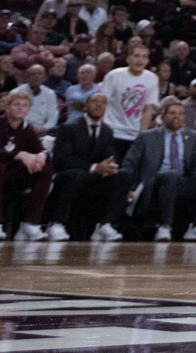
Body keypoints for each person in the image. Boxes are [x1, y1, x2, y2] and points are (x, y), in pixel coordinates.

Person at [121, 98, 196, 241]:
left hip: (182, 181)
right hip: (156, 182)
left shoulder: (192, 136)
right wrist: (128, 186)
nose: (177, 116)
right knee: (171, 176)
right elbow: (129, 163)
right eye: (172, 113)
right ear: (163, 117)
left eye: (181, 113)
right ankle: (164, 227)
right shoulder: (147, 137)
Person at [48, 91, 131, 241]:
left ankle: (104, 224)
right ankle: (57, 223)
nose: (99, 105)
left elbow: (110, 155)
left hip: (94, 179)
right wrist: (93, 167)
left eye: (103, 102)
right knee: (76, 175)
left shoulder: (107, 131)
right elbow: (61, 160)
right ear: (86, 105)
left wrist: (109, 166)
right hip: (70, 177)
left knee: (124, 176)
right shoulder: (69, 127)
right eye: (94, 101)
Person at [1, 88, 52, 239]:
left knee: (45, 167)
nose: (20, 108)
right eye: (16, 104)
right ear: (7, 107)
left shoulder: (28, 129)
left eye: (24, 105)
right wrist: (17, 154)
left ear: (28, 110)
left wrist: (41, 156)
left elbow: (39, 150)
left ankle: (30, 224)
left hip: (15, 177)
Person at [102, 42, 159, 158]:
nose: (140, 60)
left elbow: (148, 109)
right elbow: (102, 102)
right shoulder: (114, 75)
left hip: (134, 134)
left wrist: (142, 134)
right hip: (113, 132)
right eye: (137, 56)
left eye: (144, 57)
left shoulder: (152, 78)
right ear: (128, 59)